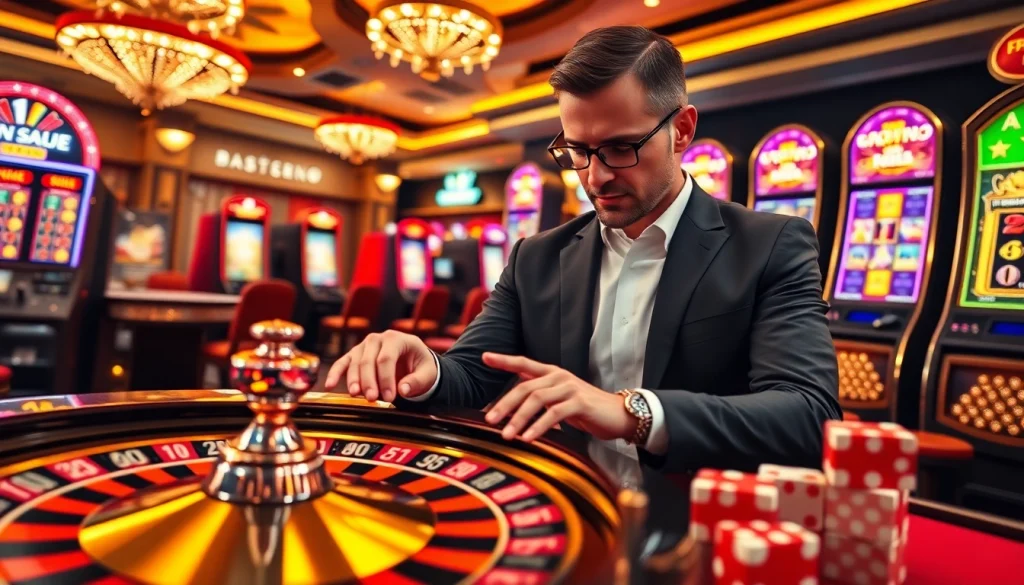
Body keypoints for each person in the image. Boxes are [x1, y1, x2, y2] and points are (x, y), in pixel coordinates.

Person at [326, 25, 841, 473]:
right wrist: (428, 368)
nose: (595, 177)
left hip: (694, 519)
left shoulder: (770, 244)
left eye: (621, 148)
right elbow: (474, 374)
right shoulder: (535, 257)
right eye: (577, 151)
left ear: (681, 130)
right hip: (572, 503)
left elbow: (808, 415)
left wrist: (632, 412)